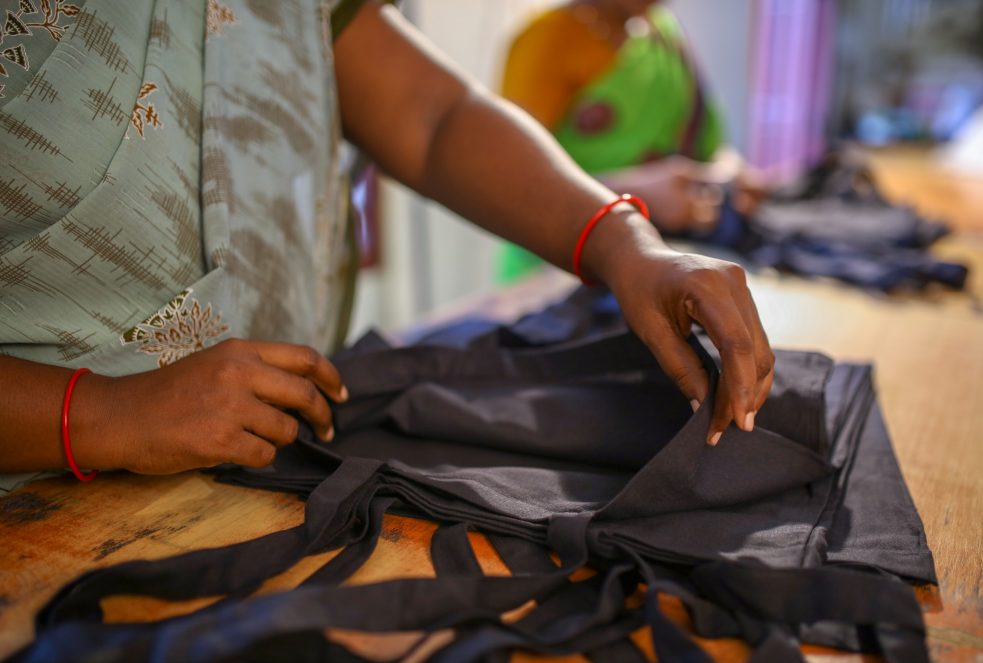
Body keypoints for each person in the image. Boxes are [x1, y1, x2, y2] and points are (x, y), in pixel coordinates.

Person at [0, 0, 773, 492]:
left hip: (281, 460)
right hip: (38, 518)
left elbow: (432, 116)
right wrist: (101, 413)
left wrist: (626, 243)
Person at [498, 0, 769, 281]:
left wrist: (727, 177)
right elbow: (511, 184)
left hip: (656, 266)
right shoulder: (549, 39)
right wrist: (633, 194)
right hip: (555, 269)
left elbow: (711, 148)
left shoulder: (665, 36)